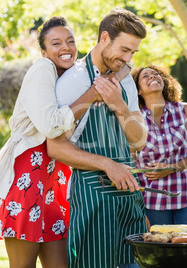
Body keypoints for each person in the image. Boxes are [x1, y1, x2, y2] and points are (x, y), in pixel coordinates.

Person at [0, 16, 106, 268]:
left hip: (55, 176)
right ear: (44, 51)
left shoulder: (68, 78)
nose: (65, 47)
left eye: (70, 41)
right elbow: (49, 125)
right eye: (56, 43)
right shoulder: (42, 68)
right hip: (29, 172)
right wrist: (91, 95)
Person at [46, 8, 148, 268]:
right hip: (93, 198)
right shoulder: (73, 81)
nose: (128, 59)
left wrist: (120, 106)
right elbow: (56, 147)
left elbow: (139, 141)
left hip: (128, 198)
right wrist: (107, 164)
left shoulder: (125, 79)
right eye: (124, 49)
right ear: (104, 38)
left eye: (133, 52)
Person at [131, 64, 187, 230]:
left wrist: (172, 168)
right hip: (151, 202)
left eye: (156, 74)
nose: (152, 76)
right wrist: (138, 208)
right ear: (138, 90)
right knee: (160, 254)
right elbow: (131, 163)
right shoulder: (134, 120)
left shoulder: (184, 110)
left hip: (186, 197)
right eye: (145, 76)